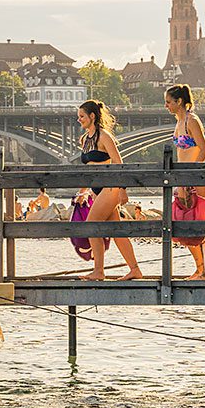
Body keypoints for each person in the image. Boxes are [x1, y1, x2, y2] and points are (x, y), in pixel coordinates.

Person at [77, 99, 143, 280]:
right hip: (97, 189)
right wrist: (83, 191)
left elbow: (118, 162)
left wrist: (122, 189)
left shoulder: (104, 136)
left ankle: (98, 271)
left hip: (110, 187)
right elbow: (88, 169)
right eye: (78, 116)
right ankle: (135, 270)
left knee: (91, 225)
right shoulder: (85, 139)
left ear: (92, 116)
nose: (79, 120)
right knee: (116, 231)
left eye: (82, 116)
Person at [165, 84, 205, 278]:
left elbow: (204, 149)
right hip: (182, 179)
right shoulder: (179, 122)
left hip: (194, 178)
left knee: (200, 226)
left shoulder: (191, 121)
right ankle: (200, 268)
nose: (166, 106)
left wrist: (191, 176)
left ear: (179, 101)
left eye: (169, 102)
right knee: (184, 226)